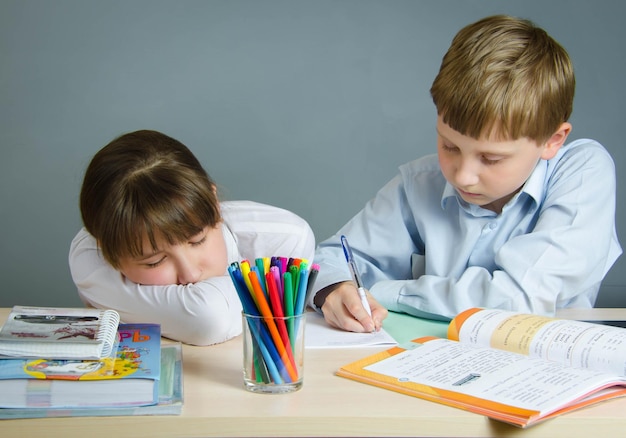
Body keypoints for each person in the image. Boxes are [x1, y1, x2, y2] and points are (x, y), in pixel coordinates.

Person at [309, 15, 622, 333]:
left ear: (552, 141)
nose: (462, 176)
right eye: (450, 146)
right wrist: (333, 290)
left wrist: (387, 292)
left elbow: (519, 298)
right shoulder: (422, 182)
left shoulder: (583, 171)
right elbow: (329, 259)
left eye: (491, 158)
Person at [69, 130, 315, 345]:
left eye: (197, 241)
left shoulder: (282, 240)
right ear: (106, 250)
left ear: (215, 203)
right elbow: (210, 318)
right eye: (154, 261)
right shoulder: (90, 254)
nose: (190, 274)